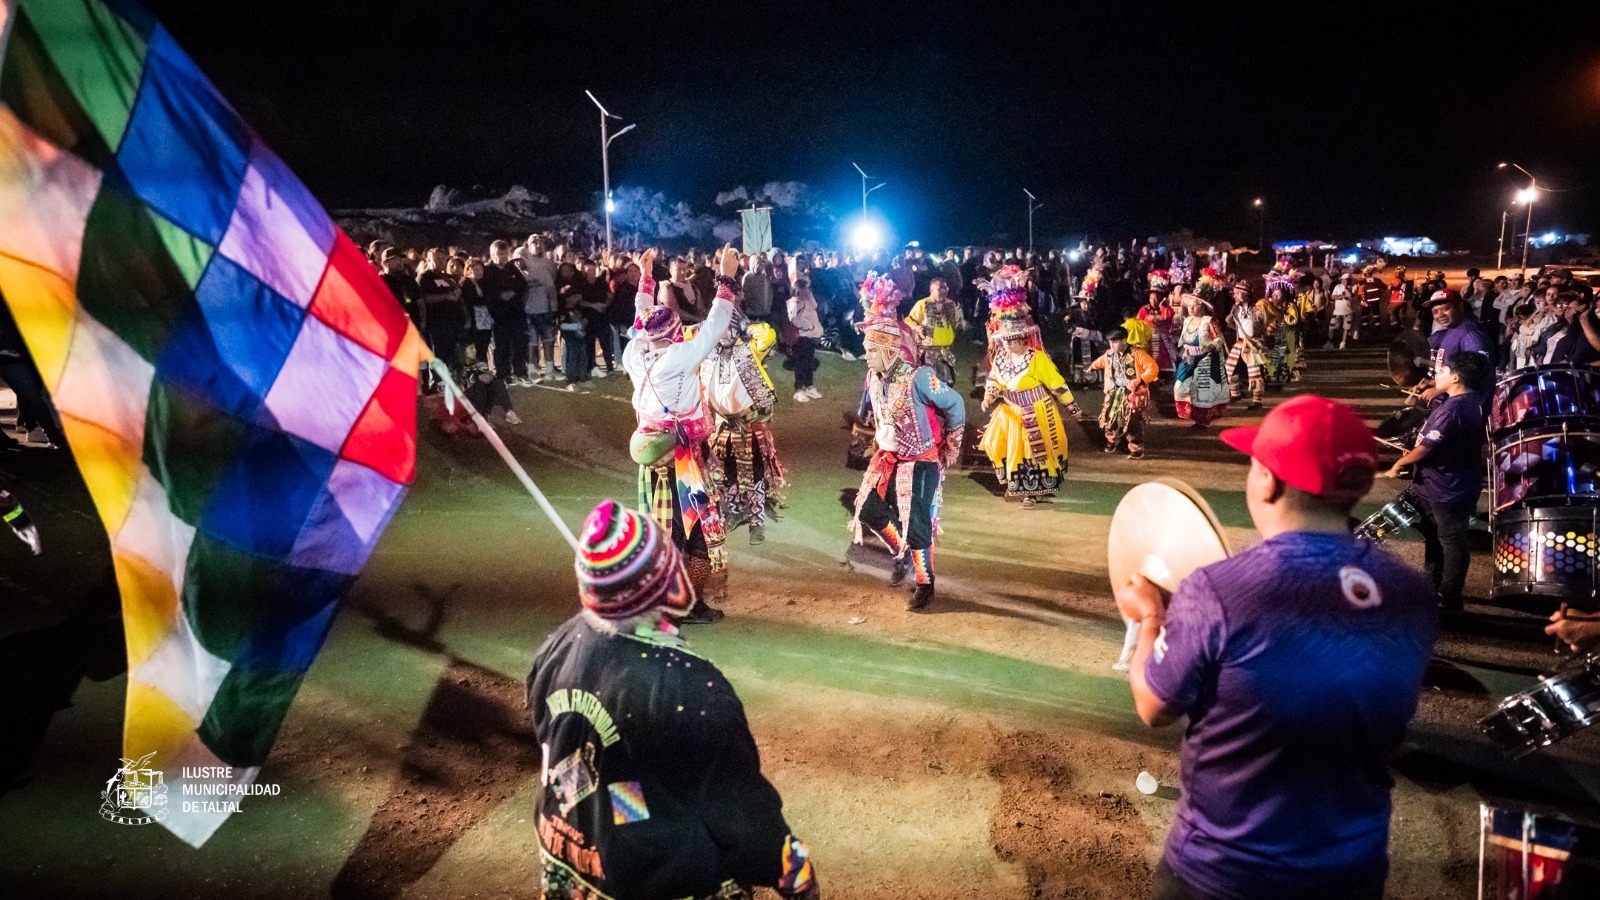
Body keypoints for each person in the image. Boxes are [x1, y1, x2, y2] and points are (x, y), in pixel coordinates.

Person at [1115, 394, 1436, 900]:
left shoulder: (1217, 590)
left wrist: (1153, 616)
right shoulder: (1411, 593)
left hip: (1225, 874)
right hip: (1350, 872)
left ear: (1266, 479)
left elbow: (1153, 705)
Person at [528, 500, 818, 900]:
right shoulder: (691, 687)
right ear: (664, 583)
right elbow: (738, 811)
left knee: (630, 785)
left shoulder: (556, 647)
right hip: (656, 879)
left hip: (573, 862)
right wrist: (786, 864)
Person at [623, 247, 742, 624]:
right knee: (698, 533)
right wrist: (725, 278)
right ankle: (686, 604)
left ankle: (669, 602)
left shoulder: (633, 353)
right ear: (674, 334)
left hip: (651, 455)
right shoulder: (679, 357)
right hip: (685, 457)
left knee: (665, 532)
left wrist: (646, 279)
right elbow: (714, 326)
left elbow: (642, 315)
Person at [850, 277, 966, 610]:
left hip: (922, 460)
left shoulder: (920, 377)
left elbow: (955, 404)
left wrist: (953, 446)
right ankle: (903, 552)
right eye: (866, 350)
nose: (867, 357)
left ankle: (925, 583)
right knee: (868, 508)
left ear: (889, 350)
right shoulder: (875, 377)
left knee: (918, 522)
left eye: (872, 351)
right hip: (888, 457)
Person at [1382, 351, 1489, 612]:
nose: (1436, 376)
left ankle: (1449, 598)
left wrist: (1398, 464)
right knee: (1435, 533)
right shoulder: (1471, 400)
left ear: (1455, 377)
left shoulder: (1452, 410)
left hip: (1447, 487)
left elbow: (1427, 448)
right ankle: (1433, 583)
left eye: (1442, 372)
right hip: (1442, 483)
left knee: (1452, 542)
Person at [979, 269, 1080, 507]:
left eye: (1011, 340)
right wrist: (989, 395)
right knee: (999, 445)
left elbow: (1057, 384)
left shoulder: (1036, 358)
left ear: (1023, 338)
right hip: (1009, 412)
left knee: (1032, 451)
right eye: (1004, 339)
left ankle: (1030, 492)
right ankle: (1016, 485)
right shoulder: (1001, 358)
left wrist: (1072, 408)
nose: (1006, 343)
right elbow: (994, 379)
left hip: (1036, 411)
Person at [700, 299, 786, 546]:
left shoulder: (749, 349)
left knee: (755, 474)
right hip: (722, 426)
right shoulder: (708, 353)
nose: (725, 333)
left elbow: (768, 335)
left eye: (730, 327)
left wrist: (746, 325)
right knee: (724, 474)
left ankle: (757, 521)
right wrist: (707, 325)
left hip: (749, 425)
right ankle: (737, 511)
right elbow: (685, 336)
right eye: (720, 328)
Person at [1089, 326, 1159, 458]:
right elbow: (1101, 362)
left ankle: (1136, 448)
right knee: (1109, 417)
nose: (1112, 345)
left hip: (1133, 394)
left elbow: (1152, 368)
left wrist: (1140, 380)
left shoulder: (1138, 353)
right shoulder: (1110, 354)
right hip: (1114, 391)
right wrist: (1092, 367)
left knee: (1133, 420)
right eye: (1110, 342)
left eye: (1115, 342)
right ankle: (1112, 440)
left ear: (1124, 340)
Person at [1420, 290, 1494, 402]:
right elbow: (1457, 370)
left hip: (1464, 406)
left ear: (1460, 307)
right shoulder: (1453, 328)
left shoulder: (1471, 334)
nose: (1440, 315)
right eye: (1435, 311)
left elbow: (1478, 371)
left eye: (1446, 309)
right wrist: (1434, 383)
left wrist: (1439, 390)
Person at [1174, 293, 1230, 429]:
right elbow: (1184, 340)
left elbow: (1219, 339)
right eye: (1189, 306)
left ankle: (1202, 420)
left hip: (1206, 359)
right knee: (1180, 386)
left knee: (1203, 391)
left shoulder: (1208, 321)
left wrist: (1210, 346)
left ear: (1202, 306)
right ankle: (1191, 413)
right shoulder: (1187, 320)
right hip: (1189, 358)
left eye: (1194, 305)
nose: (1191, 308)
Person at [902, 276, 964, 384]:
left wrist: (962, 324)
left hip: (945, 352)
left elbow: (957, 322)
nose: (943, 291)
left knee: (946, 384)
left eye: (945, 288)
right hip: (927, 354)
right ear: (931, 290)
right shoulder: (922, 304)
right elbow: (908, 320)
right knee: (929, 385)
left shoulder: (951, 304)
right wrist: (918, 328)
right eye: (939, 288)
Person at [519, 237, 557, 385]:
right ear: (528, 246)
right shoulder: (521, 264)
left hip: (544, 310)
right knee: (531, 343)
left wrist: (553, 308)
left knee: (548, 341)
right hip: (528, 310)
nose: (538, 244)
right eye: (534, 242)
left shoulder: (546, 265)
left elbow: (551, 289)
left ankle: (549, 369)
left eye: (540, 242)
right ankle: (532, 371)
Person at [786, 276, 823, 402]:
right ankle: (798, 389)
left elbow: (815, 305)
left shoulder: (806, 300)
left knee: (809, 362)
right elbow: (794, 320)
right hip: (801, 337)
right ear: (799, 290)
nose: (808, 291)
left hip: (810, 336)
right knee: (800, 363)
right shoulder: (795, 303)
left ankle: (809, 386)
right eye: (806, 289)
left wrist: (809, 295)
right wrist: (807, 326)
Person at [1328, 273, 1356, 347]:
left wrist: (1346, 288)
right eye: (1342, 280)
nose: (1343, 282)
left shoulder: (1353, 287)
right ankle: (1331, 342)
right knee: (1332, 326)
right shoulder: (1337, 286)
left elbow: (1350, 295)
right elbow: (1333, 296)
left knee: (1346, 328)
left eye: (1345, 280)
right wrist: (1342, 296)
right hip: (1337, 311)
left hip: (1348, 311)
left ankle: (1343, 343)